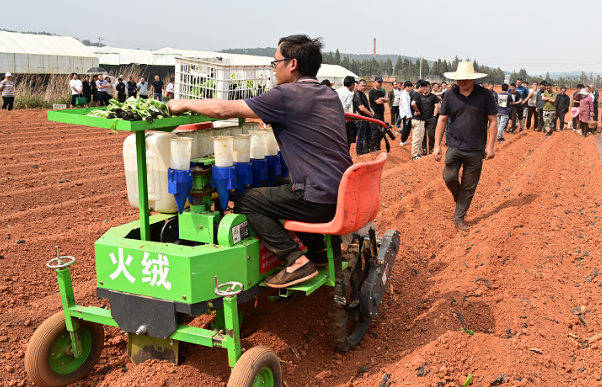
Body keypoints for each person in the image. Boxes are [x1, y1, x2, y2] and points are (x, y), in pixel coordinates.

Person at [168, 34, 352, 288]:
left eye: (275, 62)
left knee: (247, 200)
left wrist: (182, 103)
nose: (273, 68)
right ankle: (318, 250)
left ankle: (295, 261)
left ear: (293, 64)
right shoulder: (328, 94)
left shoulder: (286, 95)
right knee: (280, 181)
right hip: (342, 194)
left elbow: (223, 110)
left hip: (318, 200)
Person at [432, 62, 498, 233]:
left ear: (473, 79)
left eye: (465, 79)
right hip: (454, 145)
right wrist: (436, 145)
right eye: (459, 79)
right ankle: (460, 198)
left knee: (469, 186)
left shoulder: (485, 95)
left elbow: (492, 121)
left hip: (476, 149)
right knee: (449, 178)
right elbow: (442, 120)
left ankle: (459, 217)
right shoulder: (449, 95)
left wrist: (490, 147)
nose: (462, 82)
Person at [353, 79, 373, 156]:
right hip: (361, 119)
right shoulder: (357, 94)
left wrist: (372, 111)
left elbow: (367, 106)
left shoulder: (363, 94)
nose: (364, 88)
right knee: (361, 137)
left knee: (369, 135)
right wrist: (370, 114)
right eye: (362, 86)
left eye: (365, 86)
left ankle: (366, 150)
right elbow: (361, 108)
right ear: (358, 85)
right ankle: (360, 153)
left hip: (367, 119)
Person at [368, 76, 389, 152]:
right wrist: (382, 100)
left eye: (381, 82)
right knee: (375, 132)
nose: (380, 84)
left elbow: (388, 100)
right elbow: (378, 102)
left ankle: (377, 146)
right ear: (375, 82)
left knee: (381, 132)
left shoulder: (381, 92)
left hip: (381, 115)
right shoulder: (372, 92)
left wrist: (381, 99)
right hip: (375, 115)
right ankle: (371, 147)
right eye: (378, 82)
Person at [336, 75, 357, 149]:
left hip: (335, 119)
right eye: (354, 85)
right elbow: (346, 106)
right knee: (347, 139)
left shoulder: (336, 91)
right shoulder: (350, 93)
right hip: (344, 120)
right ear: (352, 84)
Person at [420, 82, 440, 154]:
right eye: (423, 87)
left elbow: (436, 106)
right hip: (421, 119)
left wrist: (434, 116)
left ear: (429, 87)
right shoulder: (419, 96)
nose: (425, 88)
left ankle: (431, 149)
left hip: (431, 118)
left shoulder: (433, 96)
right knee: (423, 135)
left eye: (427, 87)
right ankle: (424, 149)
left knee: (431, 134)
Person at [410, 80, 427, 160]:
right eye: (424, 88)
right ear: (420, 87)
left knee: (420, 137)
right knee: (417, 137)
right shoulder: (416, 94)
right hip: (418, 120)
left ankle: (418, 153)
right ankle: (415, 155)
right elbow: (413, 103)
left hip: (419, 120)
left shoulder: (415, 94)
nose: (425, 89)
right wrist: (417, 111)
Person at [397, 80, 413, 146]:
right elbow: (405, 106)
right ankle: (403, 141)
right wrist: (408, 115)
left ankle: (404, 139)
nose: (411, 88)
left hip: (407, 114)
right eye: (410, 87)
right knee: (406, 127)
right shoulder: (404, 95)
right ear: (406, 87)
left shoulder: (406, 94)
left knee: (408, 127)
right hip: (406, 115)